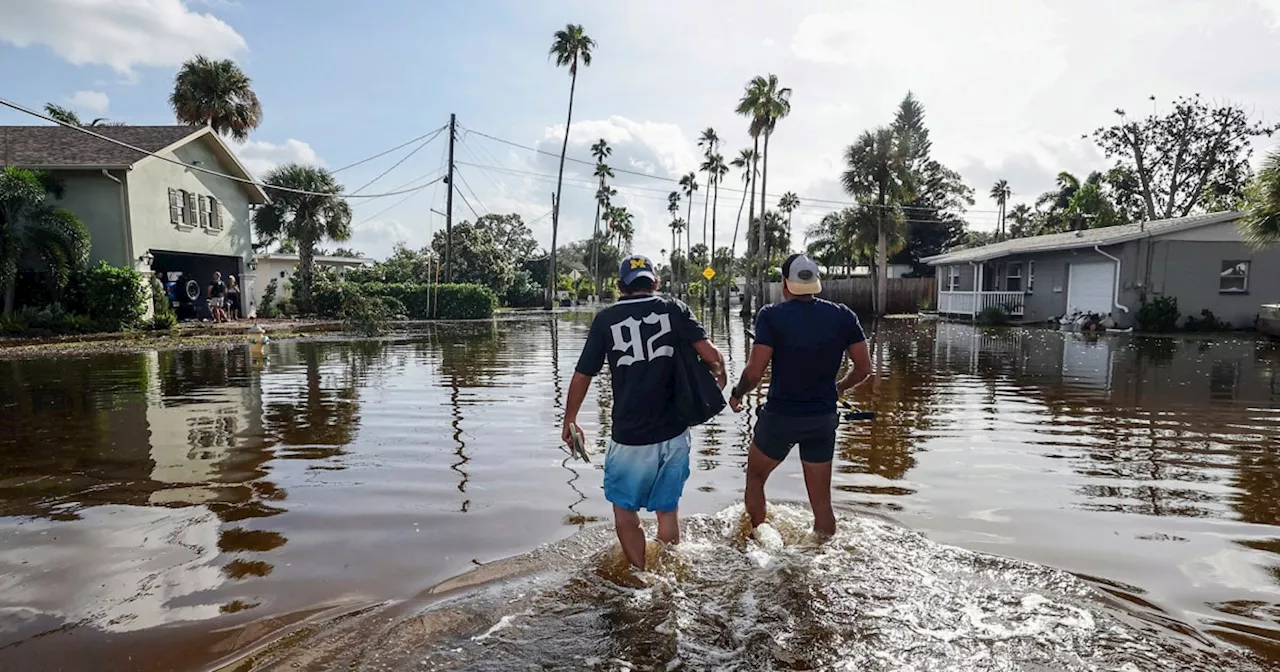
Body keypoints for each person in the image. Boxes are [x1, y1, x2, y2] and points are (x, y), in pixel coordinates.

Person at [564, 255, 727, 570]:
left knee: (625, 513)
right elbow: (711, 356)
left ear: (620, 286)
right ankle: (668, 574)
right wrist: (720, 377)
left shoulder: (606, 319)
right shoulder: (673, 309)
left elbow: (584, 374)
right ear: (655, 282)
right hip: (674, 431)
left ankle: (642, 578)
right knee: (668, 511)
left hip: (630, 435)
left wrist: (570, 418)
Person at [728, 253, 873, 538]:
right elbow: (864, 368)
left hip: (781, 417)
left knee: (756, 478)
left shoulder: (771, 316)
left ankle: (759, 541)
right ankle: (822, 551)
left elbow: (754, 373)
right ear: (816, 282)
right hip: (822, 419)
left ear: (785, 284)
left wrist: (737, 394)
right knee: (822, 506)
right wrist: (838, 389)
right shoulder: (843, 315)